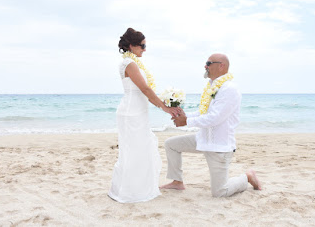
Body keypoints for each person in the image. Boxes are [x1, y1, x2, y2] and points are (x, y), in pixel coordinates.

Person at [160, 53, 261, 197]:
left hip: (218, 146)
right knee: (171, 144)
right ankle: (177, 182)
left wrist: (186, 122)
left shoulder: (229, 89)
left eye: (209, 63)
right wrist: (183, 115)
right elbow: (204, 112)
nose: (205, 66)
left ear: (221, 66)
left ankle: (247, 177)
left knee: (220, 192)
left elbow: (215, 118)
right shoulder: (211, 86)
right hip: (203, 139)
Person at [108, 28, 180, 203]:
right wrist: (165, 108)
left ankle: (133, 189)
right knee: (135, 150)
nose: (145, 49)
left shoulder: (133, 63)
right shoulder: (129, 64)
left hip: (137, 111)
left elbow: (147, 90)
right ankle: (132, 192)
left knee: (138, 149)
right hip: (132, 113)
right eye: (142, 46)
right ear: (132, 46)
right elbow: (145, 89)